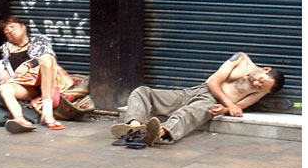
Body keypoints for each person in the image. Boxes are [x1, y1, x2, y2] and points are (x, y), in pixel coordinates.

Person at [111, 52, 285, 147]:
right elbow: (213, 82)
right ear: (265, 69)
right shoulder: (241, 59)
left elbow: (238, 107)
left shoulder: (262, 91)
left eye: (260, 87)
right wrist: (229, 104)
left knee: (186, 113)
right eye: (260, 80)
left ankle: (159, 134)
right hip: (197, 91)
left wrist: (224, 109)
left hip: (210, 102)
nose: (256, 84)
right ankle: (134, 126)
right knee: (142, 91)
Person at [0, 16, 73, 133]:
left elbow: (50, 56)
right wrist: (3, 70)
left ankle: (47, 114)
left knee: (46, 59)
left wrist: (29, 65)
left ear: (23, 27)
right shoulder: (5, 48)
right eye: (6, 31)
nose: (10, 31)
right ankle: (19, 119)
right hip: (26, 85)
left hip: (45, 78)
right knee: (4, 88)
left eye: (12, 26)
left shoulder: (38, 40)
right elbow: (3, 64)